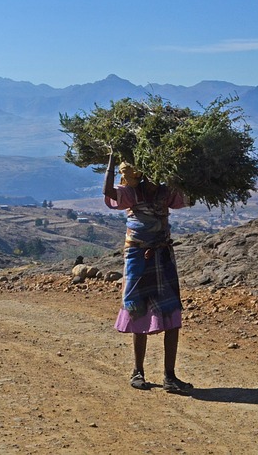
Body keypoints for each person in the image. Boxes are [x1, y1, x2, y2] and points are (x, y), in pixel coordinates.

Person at [103, 151, 194, 394]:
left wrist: (193, 172)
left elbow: (190, 197)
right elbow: (109, 194)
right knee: (136, 310)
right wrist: (112, 161)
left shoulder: (167, 192)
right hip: (137, 257)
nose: (155, 178)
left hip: (163, 255)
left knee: (172, 312)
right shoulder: (131, 192)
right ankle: (137, 371)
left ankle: (169, 376)